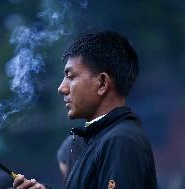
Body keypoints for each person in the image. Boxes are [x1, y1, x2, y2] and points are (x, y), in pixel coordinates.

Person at [13, 31, 157, 189]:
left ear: (102, 83)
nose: (61, 88)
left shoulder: (121, 140)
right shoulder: (97, 140)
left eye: (71, 76)